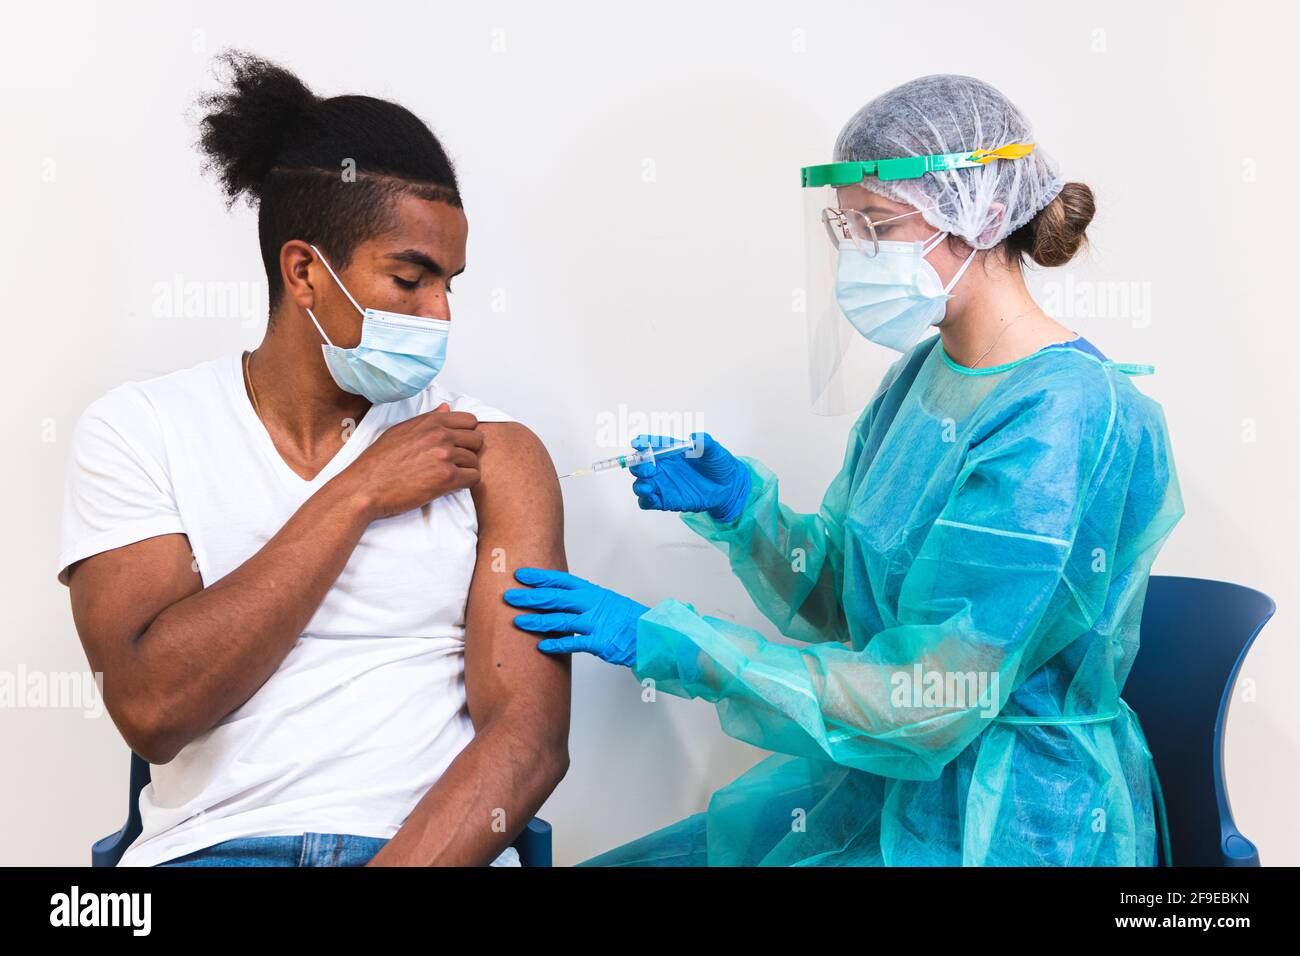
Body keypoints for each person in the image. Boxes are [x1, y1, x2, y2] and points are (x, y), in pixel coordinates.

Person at [504, 74, 1184, 866]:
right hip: (886, 788)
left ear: (987, 214)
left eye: (878, 226)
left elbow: (933, 698)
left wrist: (672, 644)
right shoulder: (923, 378)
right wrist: (744, 515)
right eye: (845, 227)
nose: (855, 255)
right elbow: (850, 604)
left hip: (1010, 820)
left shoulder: (1065, 420)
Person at [58, 51, 569, 867]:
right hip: (215, 851)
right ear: (304, 272)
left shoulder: (493, 454)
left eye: (452, 284)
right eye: (411, 278)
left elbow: (530, 739)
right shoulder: (139, 430)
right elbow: (153, 709)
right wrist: (358, 492)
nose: (441, 313)